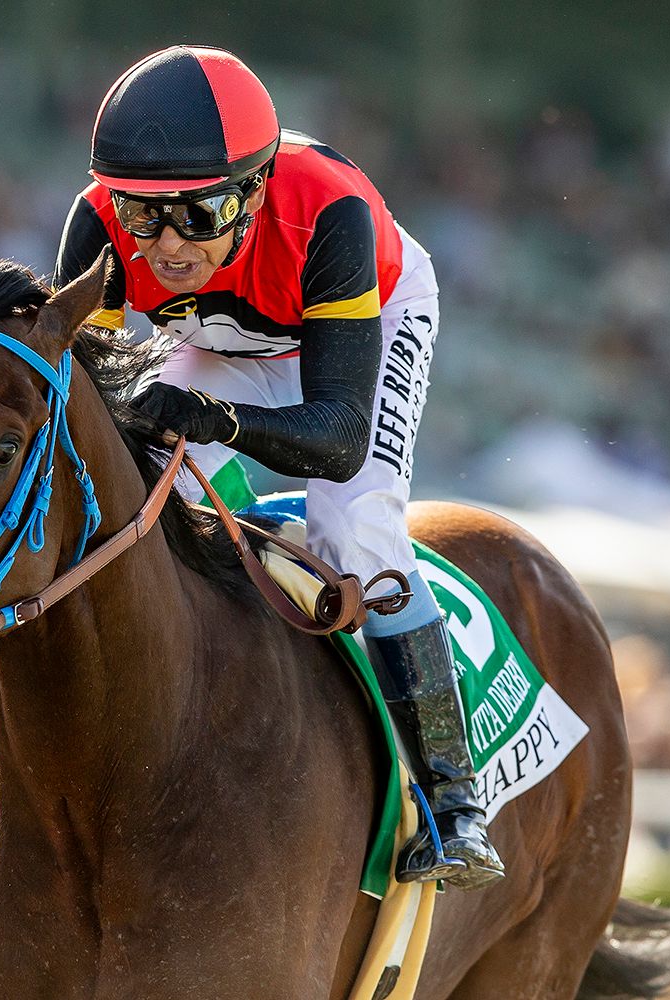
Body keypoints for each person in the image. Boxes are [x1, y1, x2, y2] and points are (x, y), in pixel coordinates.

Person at [55, 45, 503, 890]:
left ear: (256, 189)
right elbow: (88, 421)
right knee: (127, 487)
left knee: (354, 529)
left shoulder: (329, 211)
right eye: (143, 216)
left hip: (363, 320)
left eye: (197, 214)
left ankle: (452, 799)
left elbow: (335, 436)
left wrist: (214, 419)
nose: (166, 244)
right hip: (228, 335)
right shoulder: (97, 225)